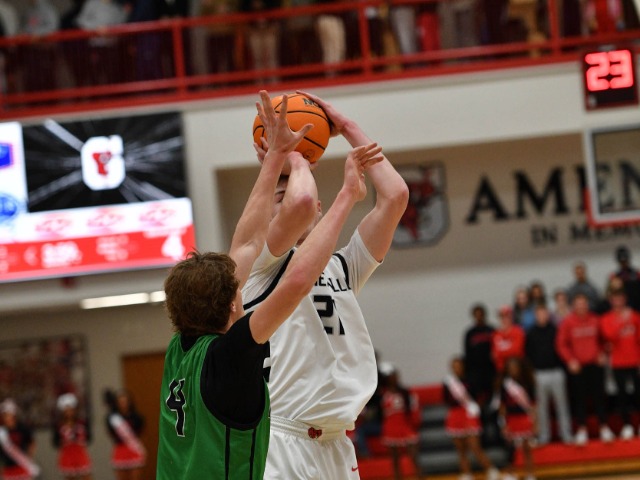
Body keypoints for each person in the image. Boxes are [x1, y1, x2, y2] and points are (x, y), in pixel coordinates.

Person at [156, 90, 384, 479]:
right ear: (234, 305)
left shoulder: (178, 351)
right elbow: (296, 282)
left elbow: (247, 243)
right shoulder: (231, 353)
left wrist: (276, 155)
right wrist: (344, 193)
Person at [242, 90, 409, 479]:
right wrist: (290, 152)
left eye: (293, 194)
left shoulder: (342, 268)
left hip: (337, 444)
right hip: (282, 439)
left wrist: (346, 126)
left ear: (319, 208)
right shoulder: (260, 267)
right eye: (278, 198)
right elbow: (299, 202)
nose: (290, 201)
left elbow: (396, 196)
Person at [556, 293, 613, 445]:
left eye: (584, 304)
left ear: (587, 305)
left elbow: (605, 340)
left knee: (599, 397)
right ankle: (582, 429)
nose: (581, 307)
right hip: (578, 367)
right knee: (579, 399)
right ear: (573, 306)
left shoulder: (595, 319)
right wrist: (570, 360)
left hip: (595, 365)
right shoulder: (568, 322)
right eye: (578, 304)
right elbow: (561, 344)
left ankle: (604, 427)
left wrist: (603, 353)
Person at [443, 357, 499, 480]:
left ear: (463, 366)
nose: (457, 368)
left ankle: (490, 469)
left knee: (475, 446)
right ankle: (467, 473)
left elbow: (480, 396)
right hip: (455, 414)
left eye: (458, 365)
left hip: (469, 413)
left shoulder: (471, 379)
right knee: (461, 449)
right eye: (454, 366)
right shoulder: (448, 383)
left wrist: (475, 407)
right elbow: (446, 399)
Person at [525, 304, 572, 445]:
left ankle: (566, 434)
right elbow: (528, 354)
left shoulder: (556, 330)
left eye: (544, 313)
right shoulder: (531, 333)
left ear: (548, 314)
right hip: (539, 374)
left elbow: (562, 348)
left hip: (556, 371)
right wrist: (532, 373)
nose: (542, 316)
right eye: (539, 314)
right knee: (542, 407)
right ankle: (544, 436)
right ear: (535, 315)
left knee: (562, 405)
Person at [600, 284, 640, 440]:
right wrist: (622, 322)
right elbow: (609, 336)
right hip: (617, 362)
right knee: (622, 395)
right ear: (611, 300)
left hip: (635, 360)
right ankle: (627, 425)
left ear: (625, 299)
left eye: (620, 299)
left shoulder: (635, 316)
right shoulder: (606, 318)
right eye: (615, 299)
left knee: (638, 393)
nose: (618, 302)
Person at [379, 363, 423, 480]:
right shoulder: (383, 394)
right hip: (391, 428)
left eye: (395, 375)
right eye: (391, 376)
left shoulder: (406, 392)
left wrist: (415, 423)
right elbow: (381, 412)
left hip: (406, 426)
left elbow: (414, 409)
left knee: (414, 457)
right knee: (395, 460)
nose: (393, 378)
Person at [499, 357, 536, 480]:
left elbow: (533, 404)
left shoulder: (527, 383)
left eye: (515, 367)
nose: (513, 370)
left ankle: (530, 474)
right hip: (511, 419)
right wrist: (503, 423)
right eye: (510, 368)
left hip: (524, 417)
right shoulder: (505, 385)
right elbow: (502, 405)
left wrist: (535, 421)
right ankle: (511, 473)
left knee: (526, 448)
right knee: (511, 449)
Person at [104, 389, 145, 480]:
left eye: (125, 401)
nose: (123, 404)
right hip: (120, 449)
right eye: (120, 401)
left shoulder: (137, 417)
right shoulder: (112, 418)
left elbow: (140, 430)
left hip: (133, 448)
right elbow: (111, 432)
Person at [463, 304, 496, 408]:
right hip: (476, 372)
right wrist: (469, 373)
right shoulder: (470, 333)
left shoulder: (491, 330)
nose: (479, 317)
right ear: (473, 316)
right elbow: (467, 354)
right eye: (476, 315)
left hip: (490, 370)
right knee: (479, 398)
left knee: (492, 398)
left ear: (484, 315)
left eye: (480, 314)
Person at [53, 393, 92, 480]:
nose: (69, 412)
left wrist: (81, 440)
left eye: (71, 409)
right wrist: (63, 442)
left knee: (86, 476)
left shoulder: (82, 423)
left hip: (80, 453)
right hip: (67, 454)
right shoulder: (59, 425)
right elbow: (55, 442)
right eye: (66, 409)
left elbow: (89, 438)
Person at [0, 399, 40, 480]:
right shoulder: (2, 431)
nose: (6, 417)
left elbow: (32, 443)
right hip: (8, 467)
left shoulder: (22, 428)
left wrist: (29, 458)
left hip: (23, 465)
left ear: (13, 414)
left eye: (8, 414)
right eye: (4, 414)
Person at [492, 305, 525, 374]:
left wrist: (501, 353)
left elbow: (517, 351)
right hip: (501, 370)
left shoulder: (518, 331)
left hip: (516, 370)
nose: (504, 319)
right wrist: (508, 351)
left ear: (511, 317)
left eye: (507, 316)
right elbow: (494, 354)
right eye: (502, 317)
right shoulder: (496, 333)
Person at [610, 245, 640, 312]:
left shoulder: (637, 274)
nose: (623, 263)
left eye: (625, 261)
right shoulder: (615, 277)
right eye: (621, 261)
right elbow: (610, 295)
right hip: (621, 307)